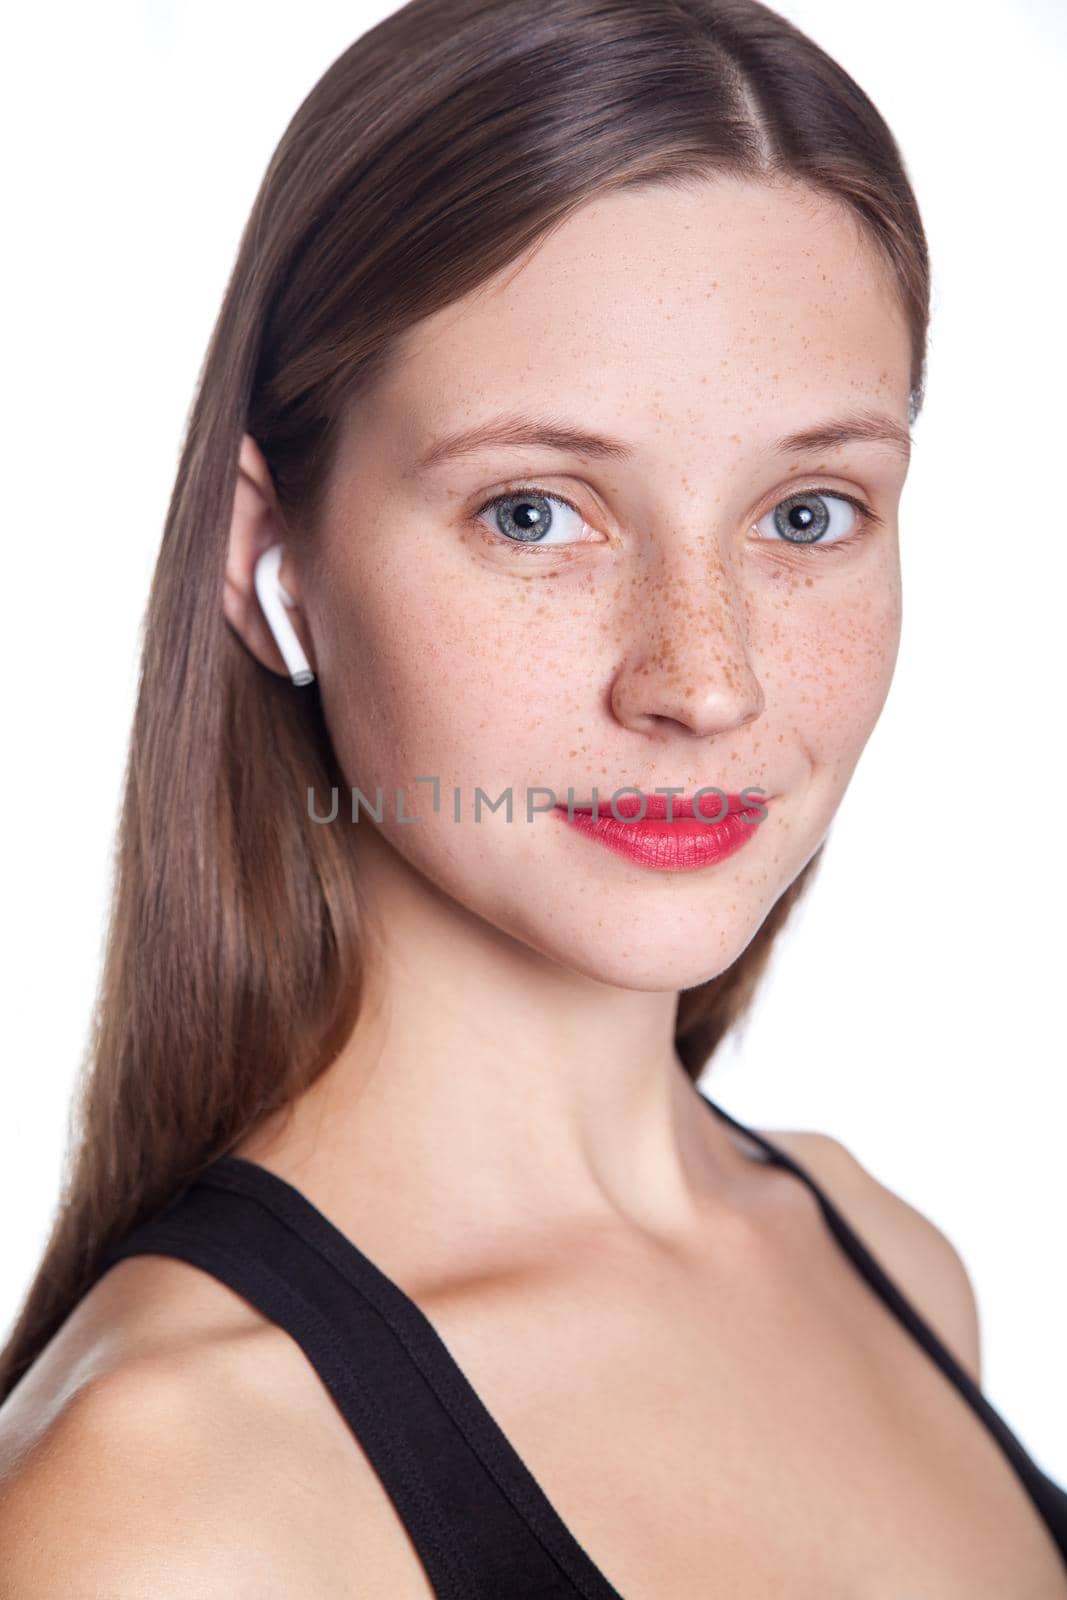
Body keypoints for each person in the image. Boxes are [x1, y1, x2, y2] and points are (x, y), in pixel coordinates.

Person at [1, 0, 1065, 1593]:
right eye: (531, 512)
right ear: (263, 554)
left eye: (808, 511)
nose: (705, 680)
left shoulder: (890, 1258)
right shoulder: (171, 1503)